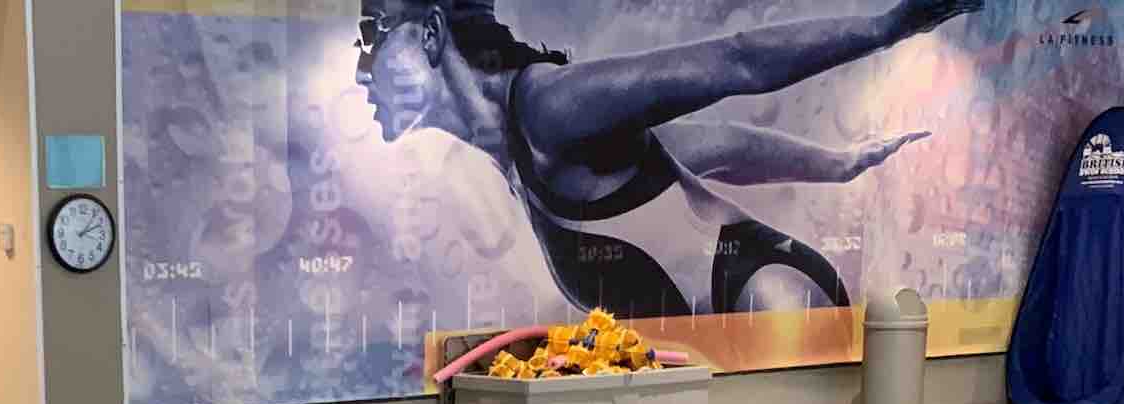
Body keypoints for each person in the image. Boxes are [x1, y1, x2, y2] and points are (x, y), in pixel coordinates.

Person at [357, 0, 980, 319]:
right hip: (736, 311)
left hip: (766, 296)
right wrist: (837, 164)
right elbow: (721, 147)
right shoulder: (522, 151)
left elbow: (736, 61)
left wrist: (887, 29)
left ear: (432, 35)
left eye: (372, 33)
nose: (361, 70)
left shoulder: (547, 106)